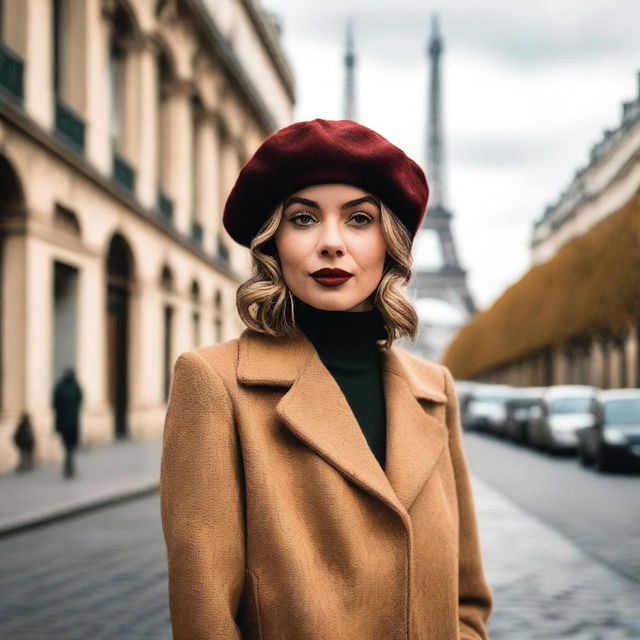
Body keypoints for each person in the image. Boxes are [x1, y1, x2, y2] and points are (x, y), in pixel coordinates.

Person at [160, 118, 494, 639]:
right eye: (303, 219)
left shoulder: (435, 390)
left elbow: (467, 598)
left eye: (360, 219)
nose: (332, 243)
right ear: (274, 243)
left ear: (391, 244)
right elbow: (204, 612)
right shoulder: (214, 385)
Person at [52, 367, 83, 479]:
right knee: (71, 445)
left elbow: (54, 404)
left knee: (66, 445)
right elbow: (80, 400)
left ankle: (68, 464)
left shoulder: (60, 387)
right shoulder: (76, 387)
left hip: (63, 422)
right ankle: (70, 465)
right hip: (73, 422)